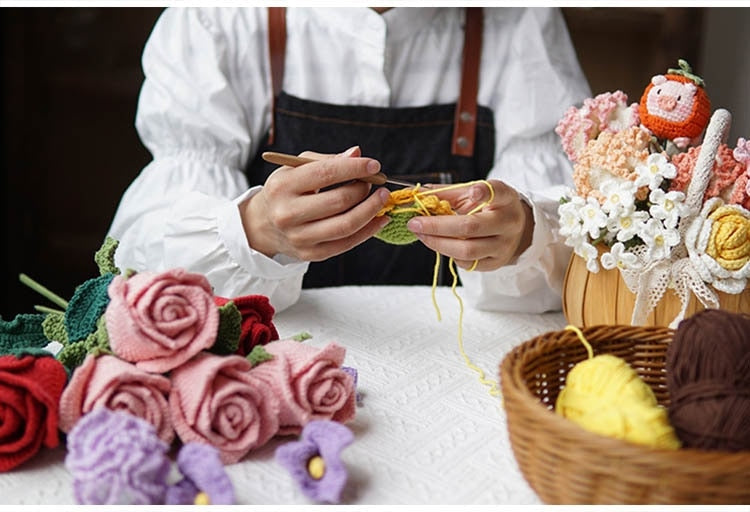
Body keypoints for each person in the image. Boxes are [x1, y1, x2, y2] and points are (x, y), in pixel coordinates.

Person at [107, 7, 591, 313]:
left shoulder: (520, 20)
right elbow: (136, 259)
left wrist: (526, 234)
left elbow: (582, 242)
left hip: (449, 364)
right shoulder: (217, 19)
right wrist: (252, 229)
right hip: (275, 365)